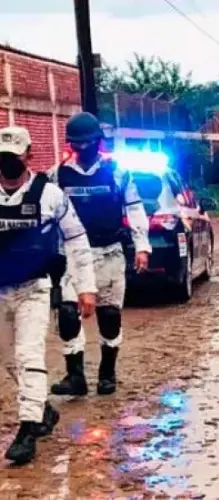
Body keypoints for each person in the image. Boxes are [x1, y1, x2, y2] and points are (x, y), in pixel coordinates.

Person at [0, 126, 97, 464]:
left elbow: (76, 239)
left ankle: (28, 431)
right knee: (8, 360)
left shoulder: (50, 195)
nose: (7, 164)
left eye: (13, 157)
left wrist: (85, 288)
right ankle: (42, 409)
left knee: (28, 356)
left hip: (34, 288)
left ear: (28, 156)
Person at [49, 112, 151, 398]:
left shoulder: (118, 172)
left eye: (87, 143)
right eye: (76, 144)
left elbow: (134, 208)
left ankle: (107, 374)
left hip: (109, 253)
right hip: (71, 256)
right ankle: (75, 376)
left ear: (98, 142)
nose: (81, 150)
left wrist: (142, 246)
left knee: (109, 316)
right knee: (68, 313)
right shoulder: (57, 175)